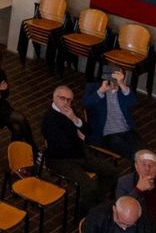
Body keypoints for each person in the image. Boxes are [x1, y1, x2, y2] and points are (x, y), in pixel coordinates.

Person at [42, 85, 117, 215]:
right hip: (60, 159)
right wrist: (79, 138)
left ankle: (96, 203)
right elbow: (62, 145)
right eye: (62, 98)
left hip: (79, 154)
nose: (66, 103)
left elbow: (88, 130)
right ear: (54, 98)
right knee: (89, 186)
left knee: (111, 170)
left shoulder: (71, 112)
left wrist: (75, 120)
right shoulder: (49, 118)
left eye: (69, 100)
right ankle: (83, 214)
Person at [83, 67, 142, 160]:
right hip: (108, 134)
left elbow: (134, 102)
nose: (114, 78)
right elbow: (86, 104)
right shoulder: (94, 88)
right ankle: (140, 167)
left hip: (127, 130)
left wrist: (121, 84)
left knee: (142, 151)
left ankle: (140, 169)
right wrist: (101, 90)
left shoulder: (124, 90)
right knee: (134, 155)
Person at [82, 196, 153, 233]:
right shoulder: (97, 217)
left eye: (130, 225)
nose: (124, 227)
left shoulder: (145, 219)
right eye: (122, 223)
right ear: (114, 210)